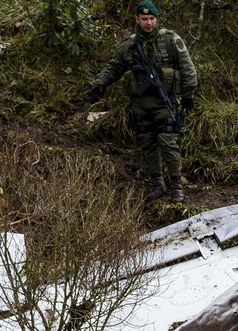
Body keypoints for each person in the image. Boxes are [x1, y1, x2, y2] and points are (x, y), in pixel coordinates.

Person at [88, 1, 198, 203]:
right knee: (147, 143)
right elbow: (115, 66)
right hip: (140, 103)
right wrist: (100, 82)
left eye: (152, 19)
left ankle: (177, 186)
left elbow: (187, 68)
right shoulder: (129, 45)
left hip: (164, 101)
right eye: (144, 19)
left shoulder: (170, 40)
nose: (149, 23)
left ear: (156, 19)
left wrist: (188, 94)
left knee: (168, 142)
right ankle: (158, 184)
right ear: (137, 20)